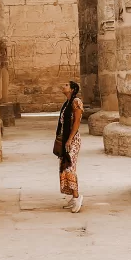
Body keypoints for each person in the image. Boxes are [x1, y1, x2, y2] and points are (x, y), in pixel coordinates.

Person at [55, 80, 84, 213]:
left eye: (66, 85)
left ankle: (78, 197)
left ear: (72, 89)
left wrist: (70, 139)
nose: (63, 86)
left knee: (70, 167)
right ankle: (73, 196)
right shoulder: (66, 104)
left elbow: (77, 122)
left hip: (73, 139)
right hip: (66, 139)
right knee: (64, 167)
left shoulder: (76, 102)